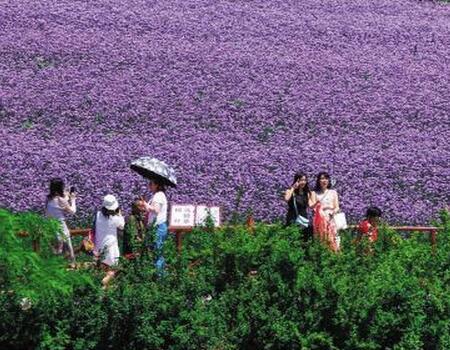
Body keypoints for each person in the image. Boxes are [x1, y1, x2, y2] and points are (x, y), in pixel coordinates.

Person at [94, 194, 125, 286]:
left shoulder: (98, 214)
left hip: (99, 246)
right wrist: (120, 214)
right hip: (111, 247)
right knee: (113, 270)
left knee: (102, 269)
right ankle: (105, 283)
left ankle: (102, 289)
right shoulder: (115, 218)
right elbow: (122, 226)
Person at [139, 179, 168, 272]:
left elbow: (156, 210)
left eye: (151, 183)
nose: (149, 185)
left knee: (157, 251)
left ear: (157, 185)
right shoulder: (156, 195)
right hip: (156, 226)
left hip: (158, 227)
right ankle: (158, 274)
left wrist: (145, 204)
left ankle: (159, 276)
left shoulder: (159, 196)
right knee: (155, 250)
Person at [45, 178, 76, 265]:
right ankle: (72, 266)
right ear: (60, 188)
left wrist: (66, 196)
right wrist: (73, 199)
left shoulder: (48, 199)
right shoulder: (61, 200)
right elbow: (72, 211)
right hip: (61, 228)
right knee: (69, 252)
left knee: (56, 252)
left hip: (51, 227)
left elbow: (56, 205)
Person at [311, 172, 340, 251]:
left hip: (330, 218)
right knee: (321, 238)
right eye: (322, 178)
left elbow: (337, 207)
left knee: (332, 238)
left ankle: (334, 256)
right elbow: (313, 207)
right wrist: (321, 213)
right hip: (319, 219)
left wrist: (333, 212)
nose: (324, 181)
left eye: (326, 179)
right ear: (318, 181)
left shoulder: (333, 192)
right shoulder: (314, 193)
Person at [284, 172, 313, 241]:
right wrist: (293, 188)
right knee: (292, 237)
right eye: (301, 180)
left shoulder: (307, 193)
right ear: (296, 181)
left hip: (303, 218)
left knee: (303, 238)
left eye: (305, 180)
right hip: (292, 217)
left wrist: (318, 203)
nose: (303, 182)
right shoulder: (289, 191)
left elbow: (311, 205)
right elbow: (286, 199)